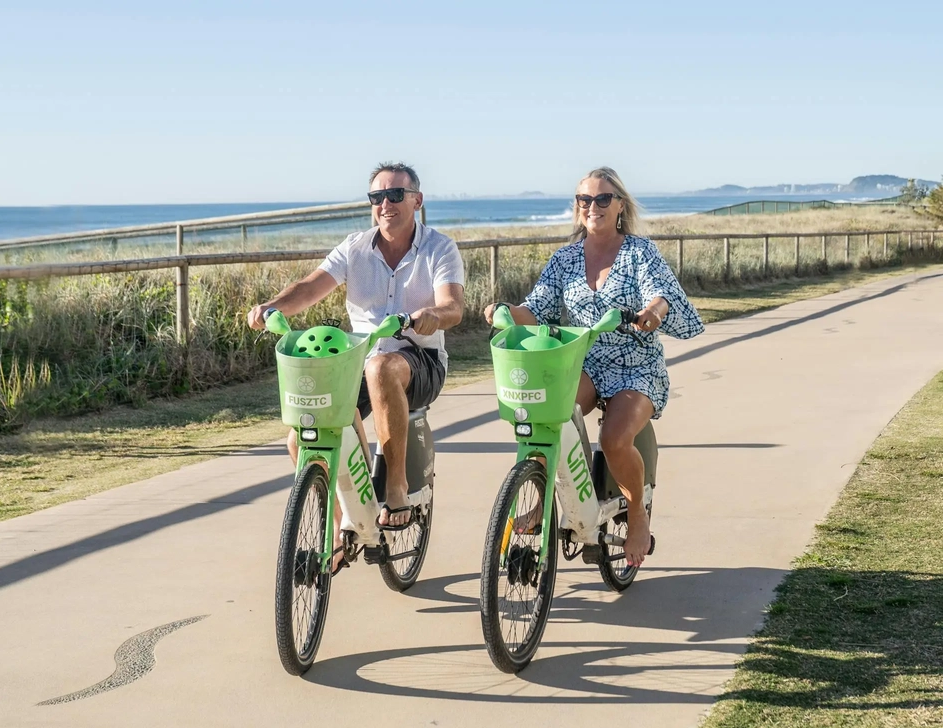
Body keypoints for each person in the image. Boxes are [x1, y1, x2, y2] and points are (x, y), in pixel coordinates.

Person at [248, 162, 465, 570]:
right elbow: (310, 287)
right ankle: (341, 522)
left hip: (420, 359)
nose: (385, 204)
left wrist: (432, 315)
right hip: (358, 361)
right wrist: (272, 307)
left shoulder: (439, 248)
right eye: (377, 197)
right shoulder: (355, 247)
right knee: (300, 438)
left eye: (395, 195)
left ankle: (395, 486)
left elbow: (453, 306)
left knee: (381, 367)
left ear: (417, 201)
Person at [483, 166, 704, 567]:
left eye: (603, 198)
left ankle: (637, 515)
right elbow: (537, 309)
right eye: (584, 199)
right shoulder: (565, 258)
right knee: (551, 416)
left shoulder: (639, 252)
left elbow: (660, 295)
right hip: (581, 361)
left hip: (635, 364)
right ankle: (546, 497)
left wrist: (652, 313)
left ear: (620, 205)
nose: (592, 206)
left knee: (615, 438)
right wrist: (506, 311)